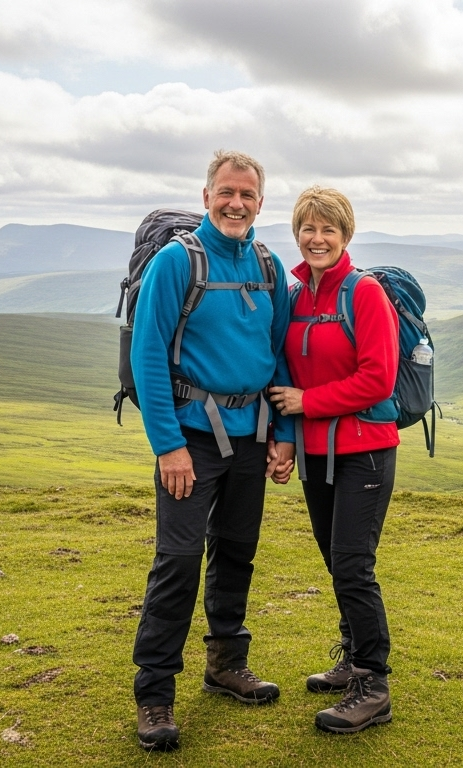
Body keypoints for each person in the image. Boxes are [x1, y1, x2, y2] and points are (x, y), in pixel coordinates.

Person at [130, 150, 297, 751]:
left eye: (247, 195)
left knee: (236, 551)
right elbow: (147, 355)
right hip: (190, 439)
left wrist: (284, 435)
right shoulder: (176, 263)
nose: (236, 204)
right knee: (175, 560)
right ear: (206, 197)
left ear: (260, 203)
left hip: (252, 435)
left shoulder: (269, 264)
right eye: (226, 192)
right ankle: (154, 694)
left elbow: (279, 355)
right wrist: (168, 446)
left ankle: (226, 664)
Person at [269, 186, 399, 734]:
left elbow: (378, 378)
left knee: (352, 564)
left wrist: (307, 405)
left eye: (328, 229)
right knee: (335, 560)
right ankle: (351, 659)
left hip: (366, 450)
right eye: (308, 228)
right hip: (318, 455)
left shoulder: (363, 292)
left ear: (346, 235)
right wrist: (288, 437)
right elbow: (287, 372)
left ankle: (374, 685)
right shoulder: (296, 294)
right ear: (297, 233)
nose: (317, 238)